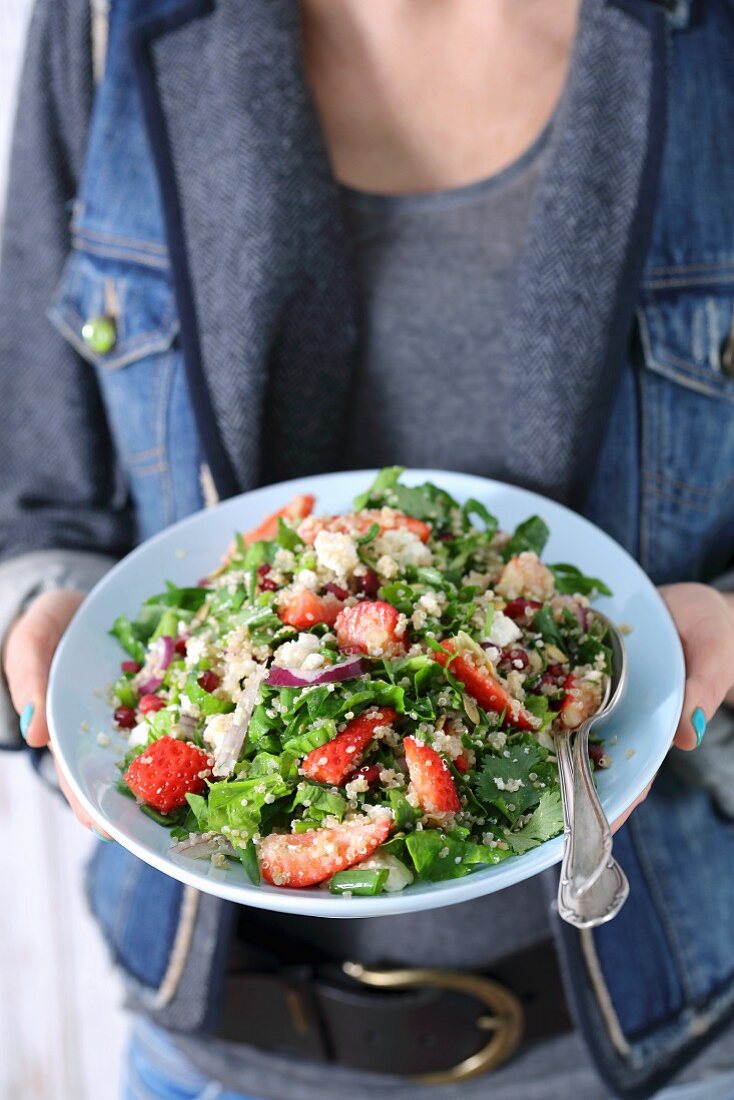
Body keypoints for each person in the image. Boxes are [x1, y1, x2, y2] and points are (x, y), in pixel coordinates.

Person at [2, 0, 734, 1097]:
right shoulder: (108, 25)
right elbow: (41, 502)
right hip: (214, 1053)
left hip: (660, 1040)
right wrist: (40, 625)